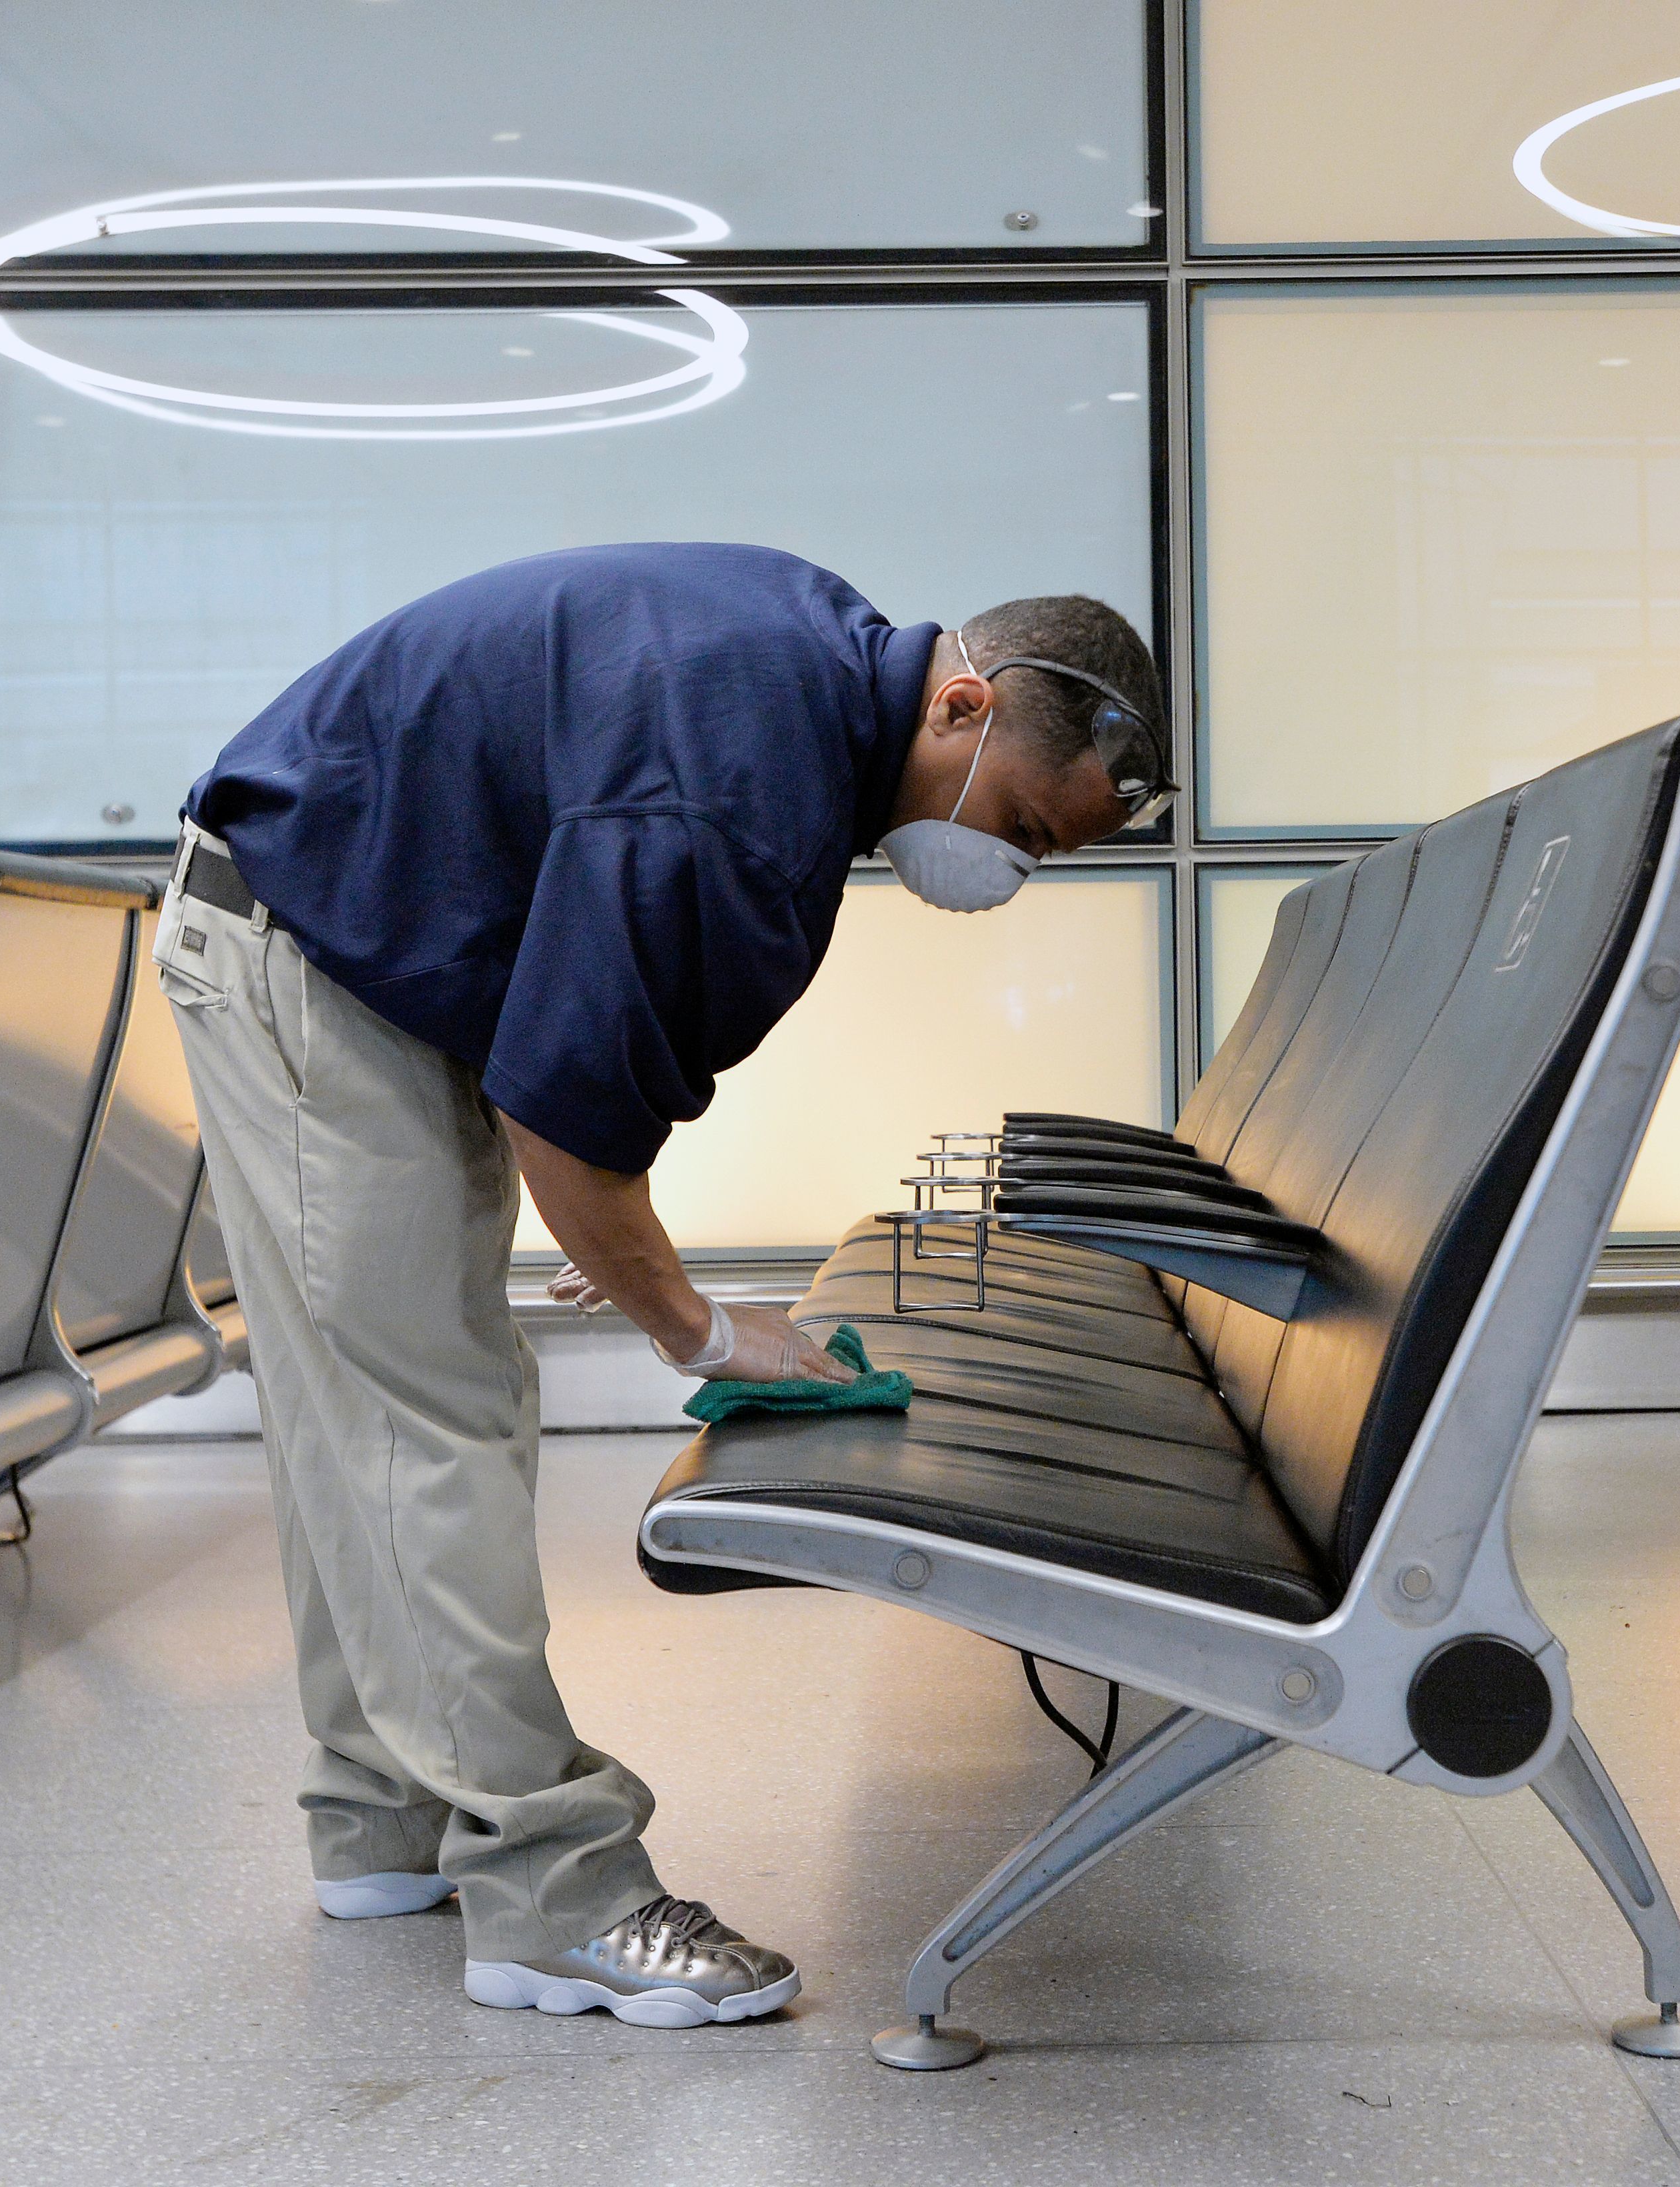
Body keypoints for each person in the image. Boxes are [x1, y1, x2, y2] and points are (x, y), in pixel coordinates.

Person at [154, 543, 1167, 2028]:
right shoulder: (744, 780)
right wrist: (693, 1324)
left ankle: (378, 1816)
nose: (1008, 868)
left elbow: (585, 1070)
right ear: (961, 702)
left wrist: (620, 1242)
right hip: (310, 955)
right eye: (1022, 821)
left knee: (377, 1408)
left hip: (358, 949)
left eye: (1048, 854)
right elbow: (571, 1111)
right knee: (419, 1417)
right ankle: (552, 1895)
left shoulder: (807, 689)